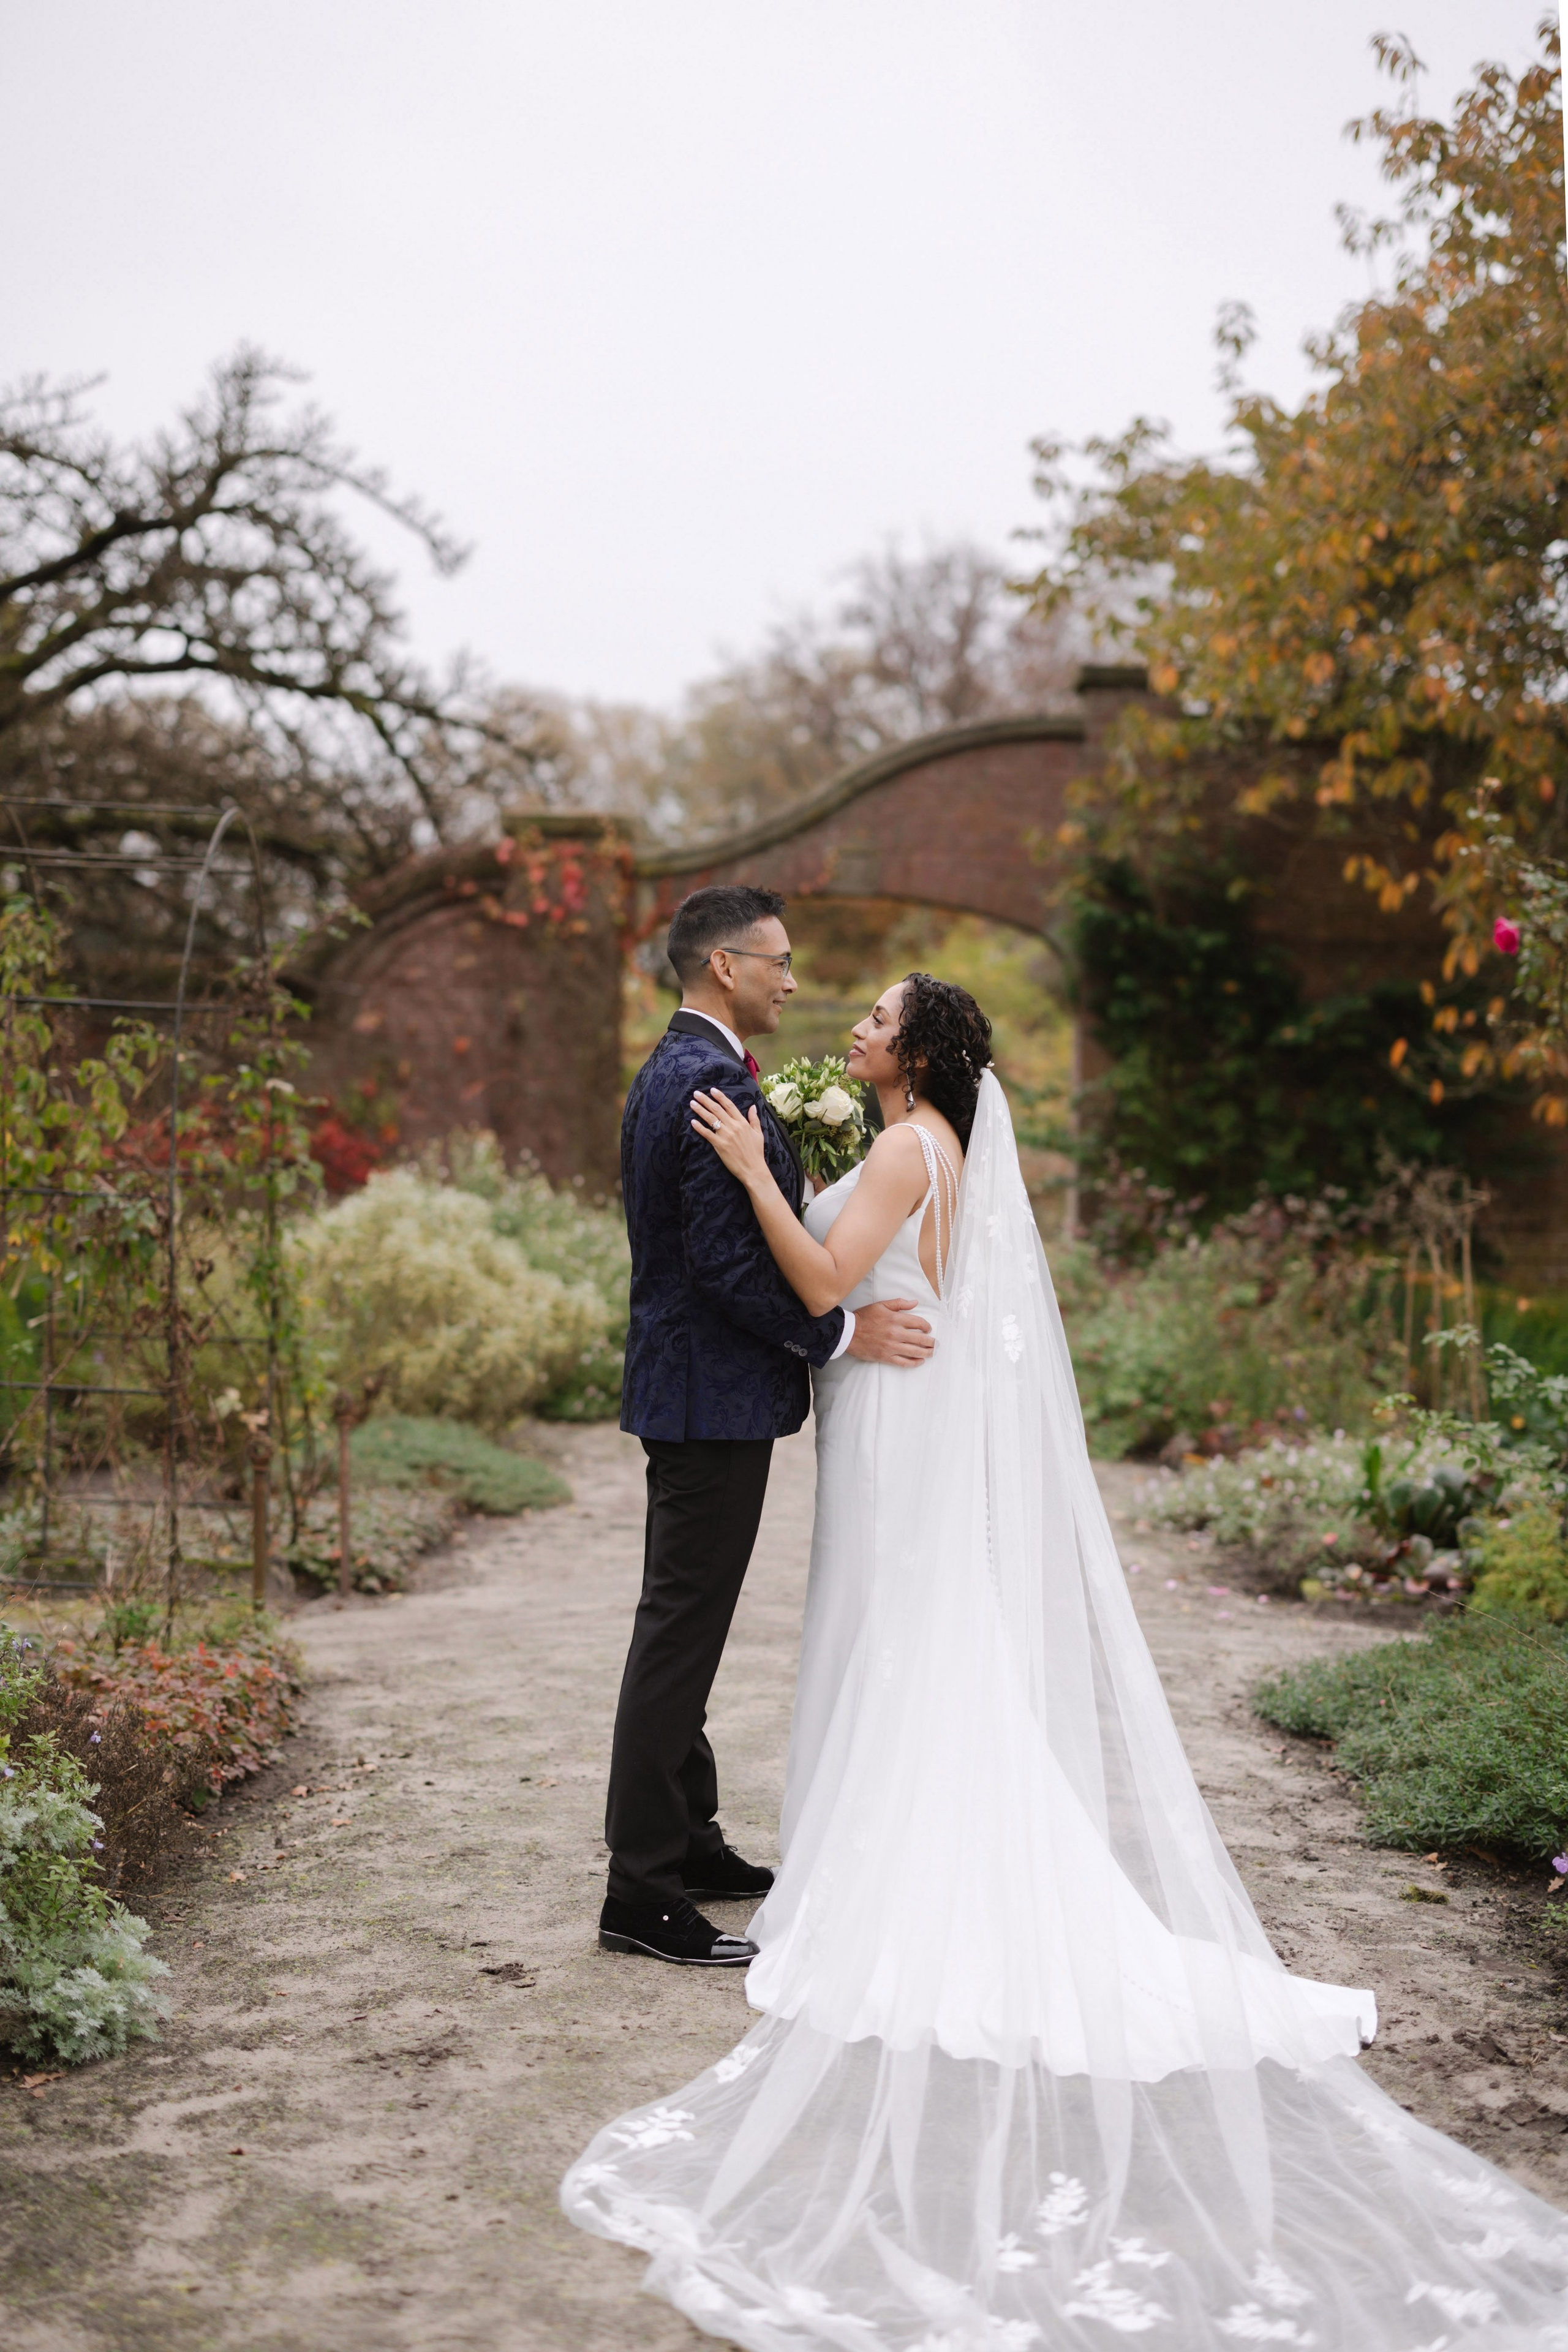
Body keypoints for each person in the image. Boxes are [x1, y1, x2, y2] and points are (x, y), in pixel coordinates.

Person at [565, 970, 1568, 2350]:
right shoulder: (933, 1142)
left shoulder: (910, 1145)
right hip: (898, 1416)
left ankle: (907, 1854)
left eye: (870, 1016)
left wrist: (748, 1169)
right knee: (909, 1633)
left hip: (894, 1426)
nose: (849, 1026)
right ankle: (898, 1827)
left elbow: (816, 1277)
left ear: (911, 1053)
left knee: (901, 1636)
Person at [601, 884, 937, 1971]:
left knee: (682, 1628)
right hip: (708, 1397)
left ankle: (690, 1843)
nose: (793, 982)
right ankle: (640, 1891)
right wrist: (839, 1336)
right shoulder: (707, 1080)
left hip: (694, 1390)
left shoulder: (684, 1067)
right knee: (678, 1638)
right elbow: (726, 1267)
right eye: (779, 962)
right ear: (723, 969)